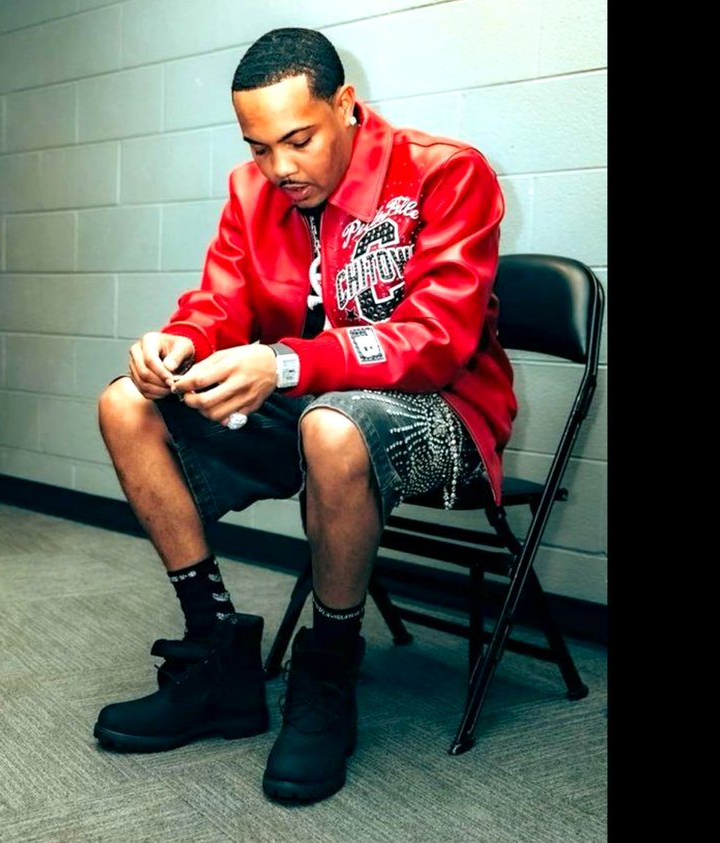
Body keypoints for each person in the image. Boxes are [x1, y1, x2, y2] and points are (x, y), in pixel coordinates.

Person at [92, 26, 514, 803]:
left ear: (345, 104)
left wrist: (285, 362)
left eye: (298, 140)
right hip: (312, 398)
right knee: (126, 403)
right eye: (259, 148)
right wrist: (179, 342)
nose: (279, 168)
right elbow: (220, 303)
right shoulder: (252, 191)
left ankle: (327, 668)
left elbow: (437, 342)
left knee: (332, 425)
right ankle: (216, 653)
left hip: (443, 408)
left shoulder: (446, 172)